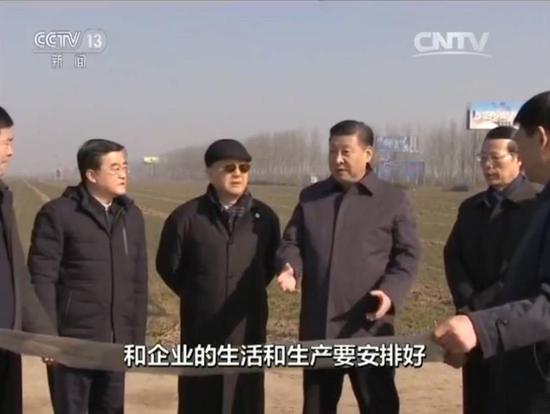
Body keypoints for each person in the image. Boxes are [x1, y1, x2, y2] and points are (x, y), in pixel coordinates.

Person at [277, 120, 421, 414]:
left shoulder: (392, 199)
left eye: (346, 151)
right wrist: (290, 267)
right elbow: (292, 242)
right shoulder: (312, 197)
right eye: (332, 151)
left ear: (368, 154)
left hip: (369, 326)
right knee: (317, 406)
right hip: (319, 327)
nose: (338, 159)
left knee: (378, 404)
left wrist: (390, 292)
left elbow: (408, 254)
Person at [433, 90, 550, 413]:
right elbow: (454, 256)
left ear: (541, 138)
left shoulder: (535, 204)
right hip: (510, 352)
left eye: (521, 139)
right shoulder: (542, 202)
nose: (487, 165)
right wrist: (472, 311)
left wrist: (480, 324)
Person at [156, 139, 280, 414]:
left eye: (244, 168)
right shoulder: (186, 217)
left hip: (247, 324)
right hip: (202, 325)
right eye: (229, 168)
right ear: (210, 172)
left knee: (245, 397)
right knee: (200, 397)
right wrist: (199, 293)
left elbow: (269, 266)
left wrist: (246, 291)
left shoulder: (265, 218)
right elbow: (168, 266)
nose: (238, 174)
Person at [28, 138, 148, 414]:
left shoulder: (131, 216)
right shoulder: (58, 214)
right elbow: (42, 278)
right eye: (115, 167)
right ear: (91, 175)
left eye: (125, 166)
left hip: (116, 343)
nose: (123, 174)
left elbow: (139, 282)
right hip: (73, 344)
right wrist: (48, 337)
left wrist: (136, 340)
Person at [0, 106, 57, 413]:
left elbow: (17, 278)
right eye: (5, 142)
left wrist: (45, 334)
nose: (11, 152)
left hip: (8, 344)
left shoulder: (3, 198)